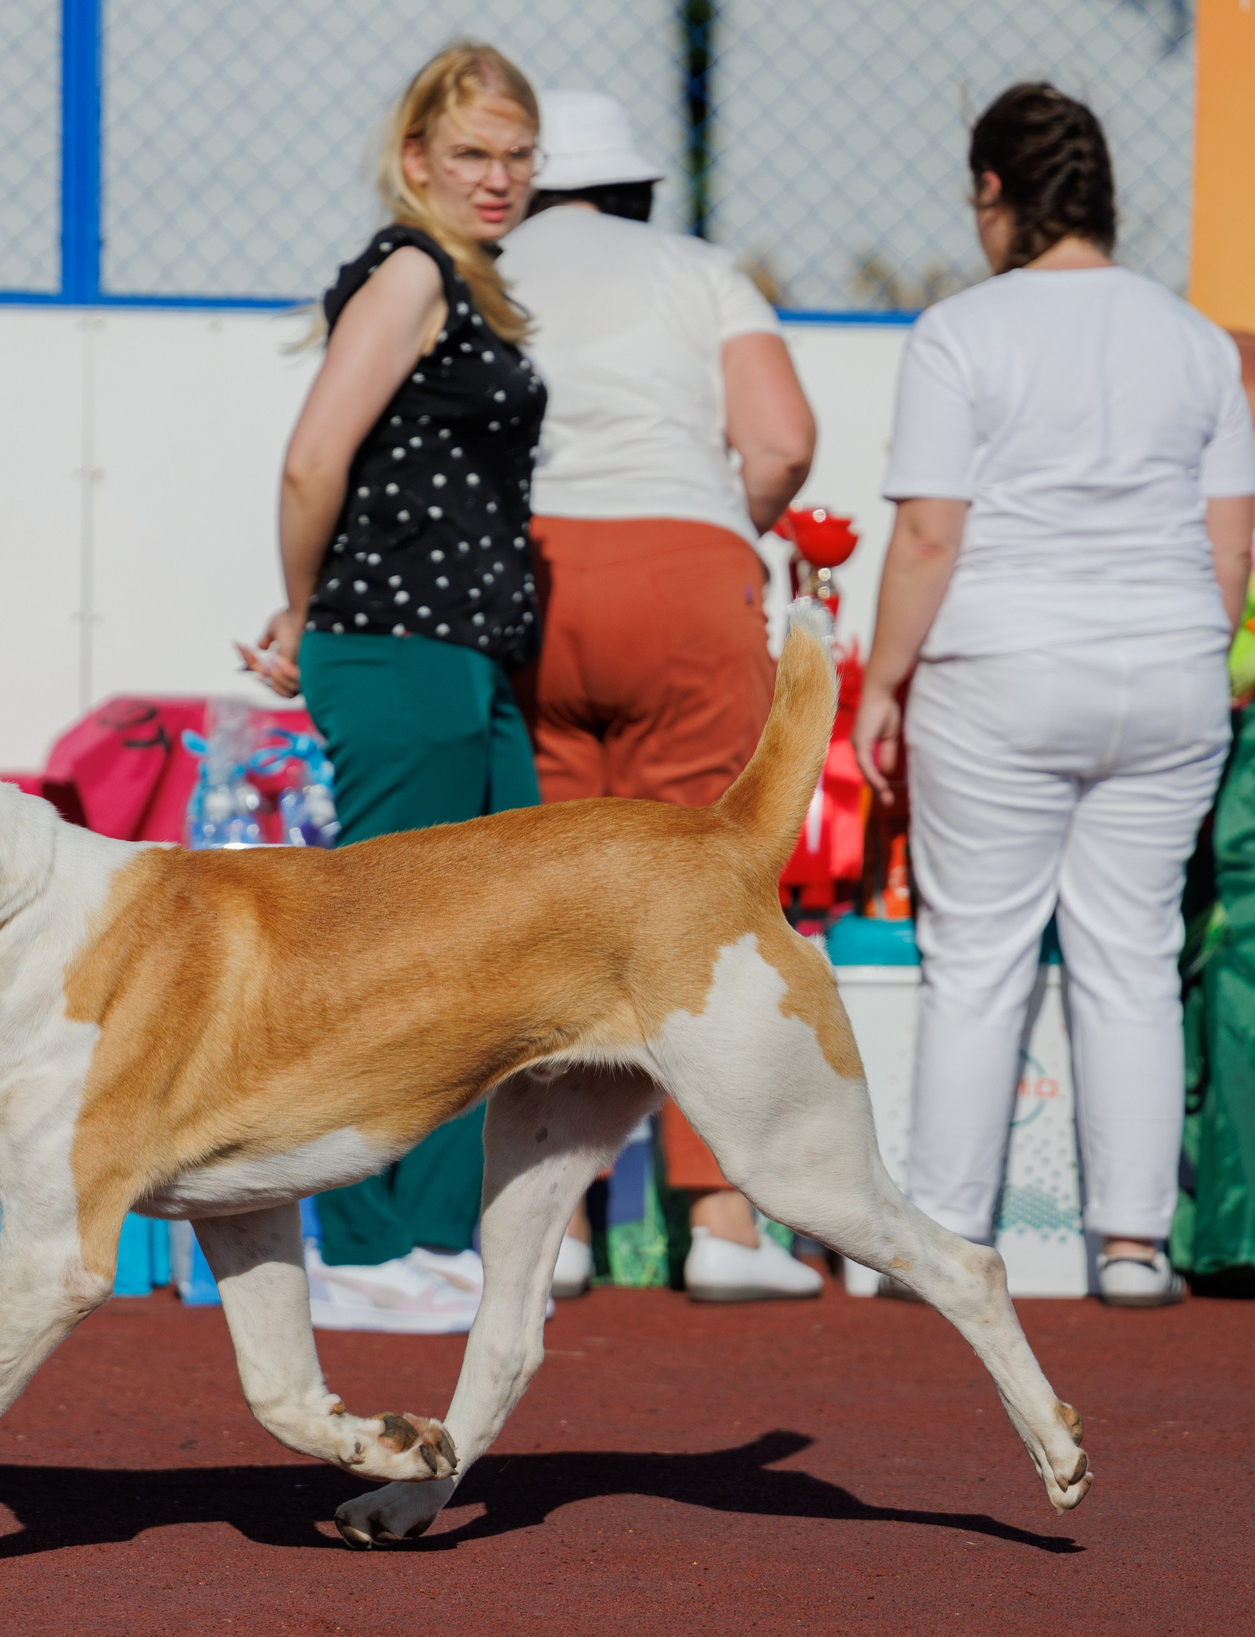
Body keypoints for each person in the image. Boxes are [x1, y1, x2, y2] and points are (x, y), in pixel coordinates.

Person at [852, 84, 1255, 1308]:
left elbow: (928, 535)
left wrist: (880, 683)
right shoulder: (1194, 339)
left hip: (1002, 670)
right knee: (1130, 955)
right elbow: (1228, 545)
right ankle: (1129, 1247)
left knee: (976, 956)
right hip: (1173, 668)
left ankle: (945, 1241)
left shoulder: (963, 332)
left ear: (993, 192)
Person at [238, 42, 547, 1330]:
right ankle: (361, 1243)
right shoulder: (412, 268)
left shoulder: (471, 283)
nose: (497, 178)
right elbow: (315, 458)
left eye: (517, 156)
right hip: (399, 651)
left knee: (494, 955)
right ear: (415, 159)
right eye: (470, 153)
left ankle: (428, 1228)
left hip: (463, 658)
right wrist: (306, 615)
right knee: (393, 955)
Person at [498, 89, 823, 1303]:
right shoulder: (699, 271)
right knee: (710, 896)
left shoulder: (477, 264)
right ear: (635, 188)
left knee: (543, 909)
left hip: (526, 586)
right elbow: (780, 440)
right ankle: (728, 1220)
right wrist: (715, 533)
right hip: (688, 578)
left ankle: (556, 1229)